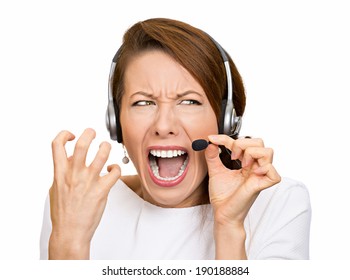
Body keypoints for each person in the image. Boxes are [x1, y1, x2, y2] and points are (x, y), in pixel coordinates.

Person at [40, 18, 311, 260]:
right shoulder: (74, 199)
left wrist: (229, 226)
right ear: (116, 122)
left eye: (189, 101)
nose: (164, 125)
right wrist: (69, 242)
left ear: (226, 121)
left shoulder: (278, 201)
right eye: (143, 103)